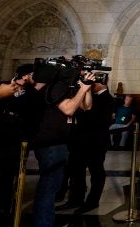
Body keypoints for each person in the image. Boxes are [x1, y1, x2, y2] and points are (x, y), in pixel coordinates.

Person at [32, 66, 94, 227]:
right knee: (48, 187)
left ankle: (46, 221)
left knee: (52, 185)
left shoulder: (67, 88)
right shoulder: (55, 87)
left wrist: (86, 89)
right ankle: (43, 223)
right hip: (50, 143)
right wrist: (82, 90)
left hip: (61, 142)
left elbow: (86, 107)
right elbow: (68, 109)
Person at [0, 64, 41, 219]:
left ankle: (3, 210)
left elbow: (34, 117)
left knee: (5, 179)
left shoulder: (33, 94)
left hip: (12, 142)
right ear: (26, 75)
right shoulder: (1, 86)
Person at [59, 82, 115, 215]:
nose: (92, 84)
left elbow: (100, 120)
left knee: (96, 172)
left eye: (95, 82)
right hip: (80, 140)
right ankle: (75, 199)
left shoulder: (108, 98)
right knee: (76, 171)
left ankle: (92, 201)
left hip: (97, 142)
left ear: (102, 83)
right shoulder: (90, 96)